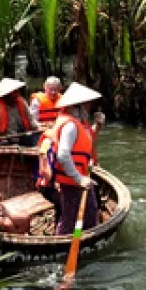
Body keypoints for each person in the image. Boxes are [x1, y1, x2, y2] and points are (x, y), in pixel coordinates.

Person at [46, 82, 102, 235]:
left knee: (90, 213)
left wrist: (98, 126)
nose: (89, 108)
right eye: (87, 105)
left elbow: (88, 142)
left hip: (80, 177)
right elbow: (63, 155)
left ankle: (84, 238)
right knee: (70, 220)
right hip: (72, 180)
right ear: (78, 105)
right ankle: (63, 244)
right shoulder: (70, 125)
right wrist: (79, 179)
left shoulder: (79, 123)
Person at [0, 78, 36, 144]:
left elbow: (30, 119)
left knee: (33, 138)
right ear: (7, 93)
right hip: (4, 138)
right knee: (4, 142)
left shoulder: (22, 102)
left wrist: (37, 126)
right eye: (14, 92)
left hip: (22, 135)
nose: (17, 94)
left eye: (17, 91)